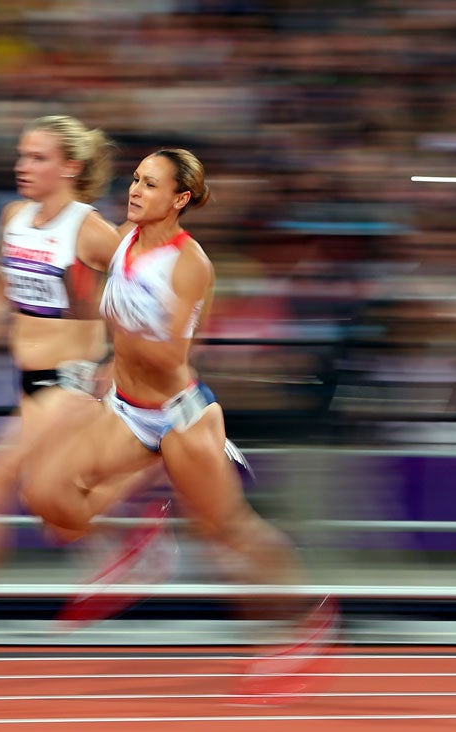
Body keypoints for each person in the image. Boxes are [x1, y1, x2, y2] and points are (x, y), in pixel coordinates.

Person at [18, 147, 338, 700]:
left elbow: (170, 356)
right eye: (135, 180)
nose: (135, 191)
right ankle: (143, 549)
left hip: (180, 417)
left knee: (227, 533)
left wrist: (111, 343)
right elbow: (77, 257)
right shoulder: (122, 241)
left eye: (150, 184)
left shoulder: (191, 264)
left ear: (180, 198)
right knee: (48, 494)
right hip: (126, 409)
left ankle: (308, 619)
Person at [0, 115, 168, 657]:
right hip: (30, 386)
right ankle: (135, 538)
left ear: (70, 167)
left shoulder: (88, 230)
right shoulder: (14, 217)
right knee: (56, 518)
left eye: (37, 157)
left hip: (71, 387)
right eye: (21, 155)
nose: (23, 166)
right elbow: (0, 292)